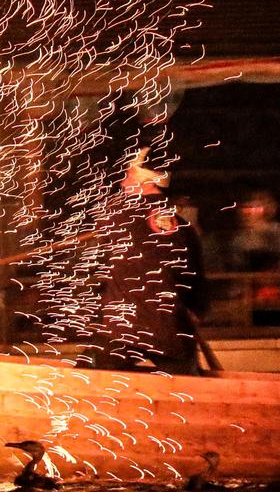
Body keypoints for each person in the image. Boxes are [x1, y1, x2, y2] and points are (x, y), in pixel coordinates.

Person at [80, 147, 209, 375]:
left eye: (128, 176)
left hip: (121, 329)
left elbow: (97, 268)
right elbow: (196, 284)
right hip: (171, 331)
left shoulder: (114, 216)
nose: (122, 183)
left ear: (144, 179)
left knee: (81, 378)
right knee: (189, 390)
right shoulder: (184, 227)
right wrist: (195, 311)